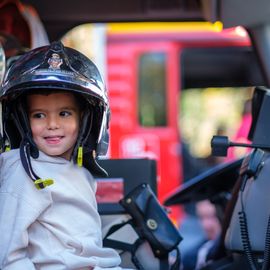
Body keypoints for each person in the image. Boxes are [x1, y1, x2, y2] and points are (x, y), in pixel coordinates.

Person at [0, 41, 123, 269]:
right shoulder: (22, 173)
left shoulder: (80, 173)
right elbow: (9, 258)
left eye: (64, 113)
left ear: (85, 120)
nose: (53, 124)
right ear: (22, 121)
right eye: (39, 115)